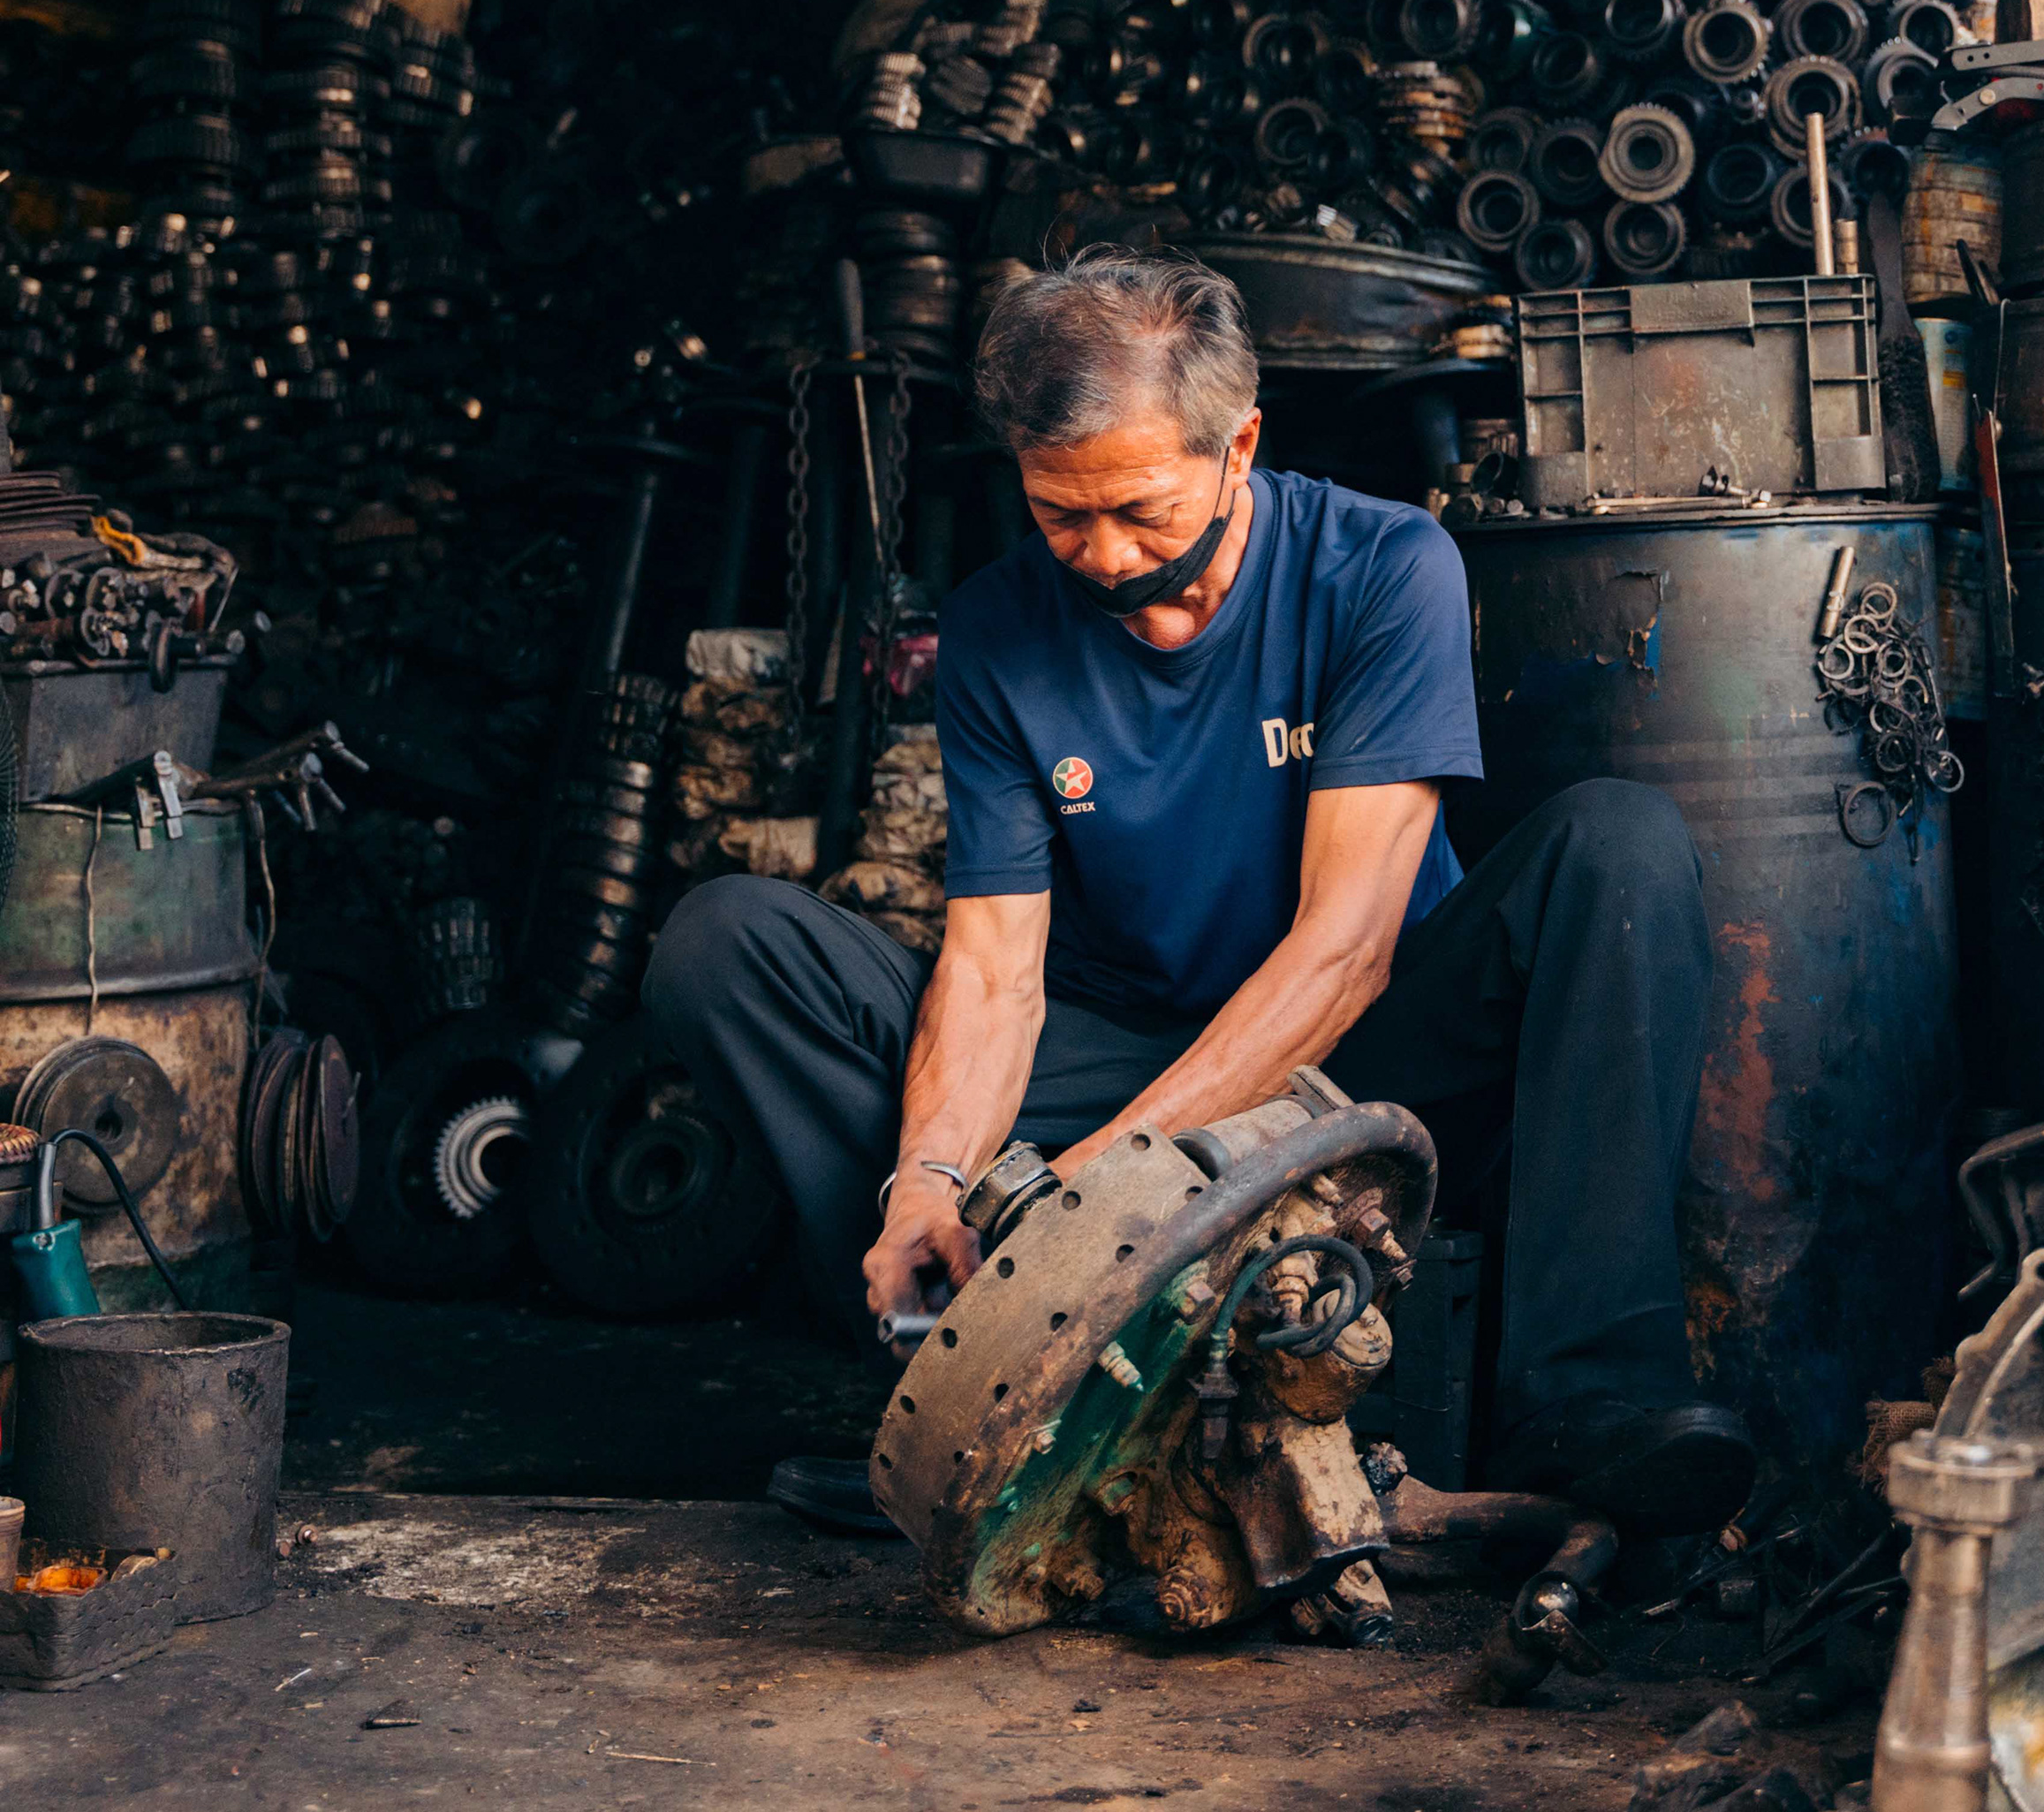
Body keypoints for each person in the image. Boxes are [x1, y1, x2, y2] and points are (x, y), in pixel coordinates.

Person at [642, 247, 1746, 1541]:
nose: (1110, 562)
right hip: (1122, 1049)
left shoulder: (1385, 568)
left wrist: (1098, 1209)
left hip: (1360, 1058)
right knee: (727, 943)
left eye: (1147, 515)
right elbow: (997, 966)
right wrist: (931, 1185)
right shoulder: (1000, 632)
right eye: (1063, 517)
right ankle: (969, 1410)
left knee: (1615, 845)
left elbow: (1346, 953)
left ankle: (1586, 1405)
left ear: (1241, 447)